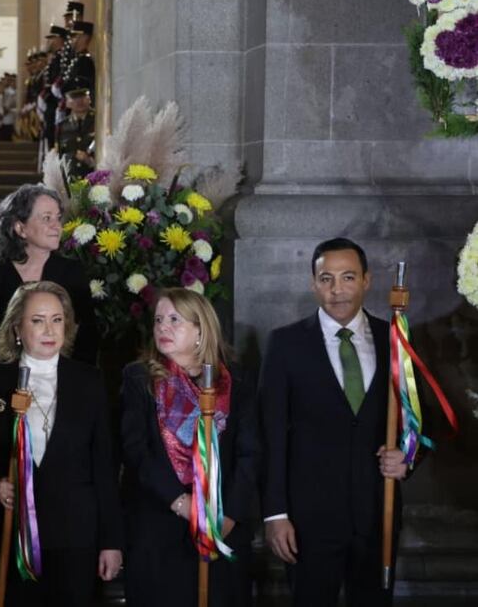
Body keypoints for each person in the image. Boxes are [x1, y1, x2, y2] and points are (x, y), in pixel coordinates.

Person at [260, 238, 407, 607]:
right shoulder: (285, 344)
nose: (337, 289)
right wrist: (275, 513)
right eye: (326, 278)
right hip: (308, 521)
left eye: (348, 277)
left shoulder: (396, 341)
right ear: (313, 283)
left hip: (377, 513)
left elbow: (420, 419)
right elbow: (271, 434)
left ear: (366, 280)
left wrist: (407, 457)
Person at [0, 281, 122, 605]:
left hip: (75, 535)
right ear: (17, 328)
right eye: (37, 320)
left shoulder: (89, 381)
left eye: (57, 319)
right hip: (10, 534)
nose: (49, 329)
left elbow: (104, 467)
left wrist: (111, 541)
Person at [121, 288, 259, 607]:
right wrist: (181, 503)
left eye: (174, 320)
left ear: (201, 329)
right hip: (159, 523)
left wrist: (229, 515)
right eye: (158, 320)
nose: (162, 328)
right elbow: (136, 450)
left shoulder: (235, 380)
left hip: (222, 524)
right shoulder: (139, 378)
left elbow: (250, 453)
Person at [0, 184, 98, 366]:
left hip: (62, 376)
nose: (57, 226)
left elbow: (87, 337)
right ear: (20, 228)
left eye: (58, 218)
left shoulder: (74, 272)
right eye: (47, 218)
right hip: (5, 377)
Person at [55, 86, 95, 179]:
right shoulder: (62, 126)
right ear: (67, 103)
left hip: (95, 177)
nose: (79, 101)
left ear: (89, 99)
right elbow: (60, 154)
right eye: (74, 98)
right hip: (71, 178)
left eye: (82, 97)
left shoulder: (99, 121)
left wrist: (91, 161)